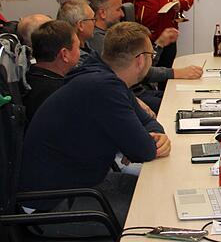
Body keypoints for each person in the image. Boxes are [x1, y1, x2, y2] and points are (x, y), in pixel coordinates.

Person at [19, 22, 170, 230]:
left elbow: (147, 122)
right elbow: (143, 150)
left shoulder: (104, 75)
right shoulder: (103, 87)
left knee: (157, 194)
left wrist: (155, 135)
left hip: (79, 185)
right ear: (141, 60)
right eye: (151, 55)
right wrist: (143, 143)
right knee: (154, 216)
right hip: (50, 208)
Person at [24, 20, 79, 121]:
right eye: (78, 47)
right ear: (64, 54)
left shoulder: (26, 78)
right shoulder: (62, 94)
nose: (79, 52)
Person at [56, 0, 96, 65]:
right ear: (80, 25)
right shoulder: (75, 62)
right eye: (92, 19)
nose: (95, 23)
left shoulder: (88, 46)